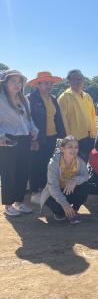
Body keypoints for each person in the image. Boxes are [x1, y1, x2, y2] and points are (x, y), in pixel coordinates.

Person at [0, 70, 39, 216]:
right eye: (13, 81)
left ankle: (19, 202)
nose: (17, 84)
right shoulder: (0, 99)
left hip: (24, 139)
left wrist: (34, 130)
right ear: (5, 83)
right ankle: (8, 205)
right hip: (7, 139)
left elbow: (29, 120)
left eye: (19, 81)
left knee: (23, 171)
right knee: (8, 172)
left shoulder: (24, 99)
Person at [27, 72, 66, 195]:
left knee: (46, 162)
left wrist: (63, 136)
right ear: (37, 85)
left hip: (51, 136)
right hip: (37, 137)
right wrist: (32, 139)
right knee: (35, 163)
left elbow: (57, 118)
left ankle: (43, 187)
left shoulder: (53, 98)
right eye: (45, 83)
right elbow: (28, 120)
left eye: (51, 83)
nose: (49, 86)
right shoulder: (30, 99)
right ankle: (34, 190)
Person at [40, 136, 89, 224]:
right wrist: (65, 205)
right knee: (58, 211)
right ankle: (65, 212)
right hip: (56, 193)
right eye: (70, 147)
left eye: (76, 147)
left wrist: (74, 180)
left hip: (70, 190)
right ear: (62, 149)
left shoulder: (80, 161)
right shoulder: (53, 164)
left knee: (85, 187)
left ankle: (73, 210)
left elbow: (85, 176)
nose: (73, 150)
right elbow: (53, 187)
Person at [58, 69, 96, 160]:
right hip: (75, 140)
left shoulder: (87, 96)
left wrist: (95, 134)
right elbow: (62, 121)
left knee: (89, 164)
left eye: (80, 79)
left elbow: (92, 115)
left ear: (83, 80)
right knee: (76, 166)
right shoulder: (64, 97)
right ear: (69, 82)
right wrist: (68, 141)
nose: (78, 81)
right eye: (74, 79)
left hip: (90, 136)